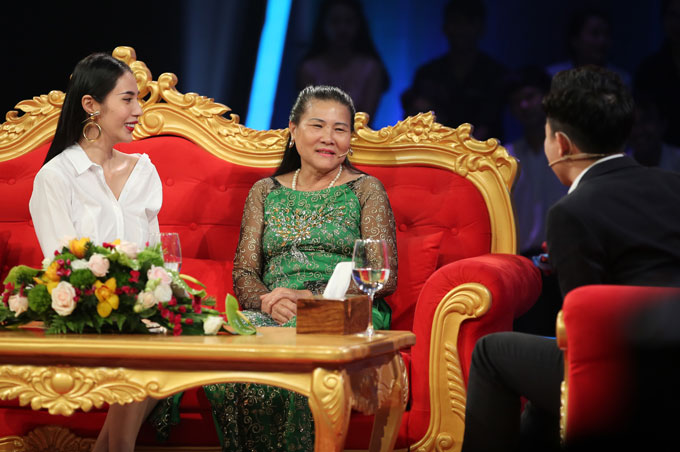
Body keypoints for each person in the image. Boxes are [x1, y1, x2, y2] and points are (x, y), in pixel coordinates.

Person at [148, 85, 398, 451]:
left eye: (340, 129)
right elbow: (245, 273)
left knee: (297, 361)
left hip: (344, 309)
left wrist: (309, 298)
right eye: (317, 126)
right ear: (293, 130)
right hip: (274, 310)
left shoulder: (366, 190)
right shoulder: (265, 191)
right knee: (224, 346)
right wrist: (268, 301)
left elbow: (381, 275)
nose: (329, 138)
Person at [461, 66, 680, 452]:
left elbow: (583, 330)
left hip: (622, 376)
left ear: (560, 144)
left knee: (492, 352)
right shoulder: (673, 185)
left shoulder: (571, 211)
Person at [26, 53, 162, 452]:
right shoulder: (56, 177)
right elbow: (62, 268)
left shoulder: (143, 171)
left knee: (163, 341)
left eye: (139, 99)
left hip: (141, 313)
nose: (139, 111)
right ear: (91, 105)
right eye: (127, 99)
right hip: (84, 310)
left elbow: (157, 260)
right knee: (144, 350)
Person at [504, 67, 567, 336]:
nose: (524, 106)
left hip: (564, 259)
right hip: (522, 263)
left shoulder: (567, 151)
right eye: (517, 101)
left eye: (530, 97)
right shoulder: (505, 156)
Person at [401, 0, 507, 141]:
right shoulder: (428, 74)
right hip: (434, 149)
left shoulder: (495, 73)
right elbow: (416, 122)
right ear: (445, 27)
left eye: (468, 23)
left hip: (483, 151)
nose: (461, 30)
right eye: (456, 22)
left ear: (480, 28)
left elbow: (488, 124)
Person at [296, 0, 390, 123]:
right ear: (323, 25)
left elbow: (365, 120)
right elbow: (309, 118)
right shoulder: (309, 69)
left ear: (359, 25)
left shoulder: (371, 68)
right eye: (335, 21)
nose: (342, 28)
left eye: (349, 21)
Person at [634, 0, 680, 147]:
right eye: (673, 15)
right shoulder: (649, 69)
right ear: (663, 20)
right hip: (657, 152)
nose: (678, 23)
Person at [546, 8, 631, 86]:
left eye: (606, 34)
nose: (602, 41)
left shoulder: (621, 79)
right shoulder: (553, 76)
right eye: (595, 33)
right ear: (575, 39)